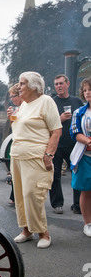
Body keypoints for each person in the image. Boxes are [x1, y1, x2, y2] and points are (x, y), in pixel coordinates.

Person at [10, 72, 62, 249]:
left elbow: (56, 131)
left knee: (32, 194)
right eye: (19, 82)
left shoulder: (46, 101)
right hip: (17, 156)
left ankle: (43, 232)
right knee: (20, 195)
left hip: (35, 156)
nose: (19, 86)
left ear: (34, 86)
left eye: (22, 83)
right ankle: (26, 230)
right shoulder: (24, 105)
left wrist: (49, 155)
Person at [50, 74, 83, 214]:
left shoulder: (76, 101)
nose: (58, 86)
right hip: (56, 144)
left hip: (73, 144)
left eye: (61, 83)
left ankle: (78, 205)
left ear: (67, 84)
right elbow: (46, 123)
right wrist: (60, 118)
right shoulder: (51, 102)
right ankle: (57, 204)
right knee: (55, 175)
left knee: (77, 174)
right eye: (56, 84)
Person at [70, 77, 91, 237]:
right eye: (85, 90)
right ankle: (87, 223)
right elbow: (75, 132)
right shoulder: (79, 112)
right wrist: (89, 141)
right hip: (85, 155)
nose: (88, 93)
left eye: (90, 89)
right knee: (86, 191)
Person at [6, 83, 24, 205]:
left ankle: (16, 197)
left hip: (24, 144)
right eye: (11, 97)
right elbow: (14, 128)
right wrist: (10, 118)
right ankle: (14, 197)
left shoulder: (26, 108)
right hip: (17, 143)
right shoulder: (17, 110)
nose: (12, 99)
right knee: (15, 173)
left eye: (14, 96)